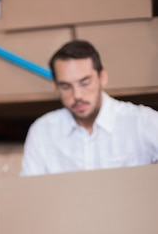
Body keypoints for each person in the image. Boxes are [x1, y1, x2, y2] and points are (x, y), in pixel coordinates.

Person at [20, 39, 158, 176]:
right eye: (66, 86)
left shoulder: (143, 122)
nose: (77, 95)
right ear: (56, 87)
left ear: (102, 77)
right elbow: (30, 194)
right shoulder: (42, 132)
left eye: (84, 83)